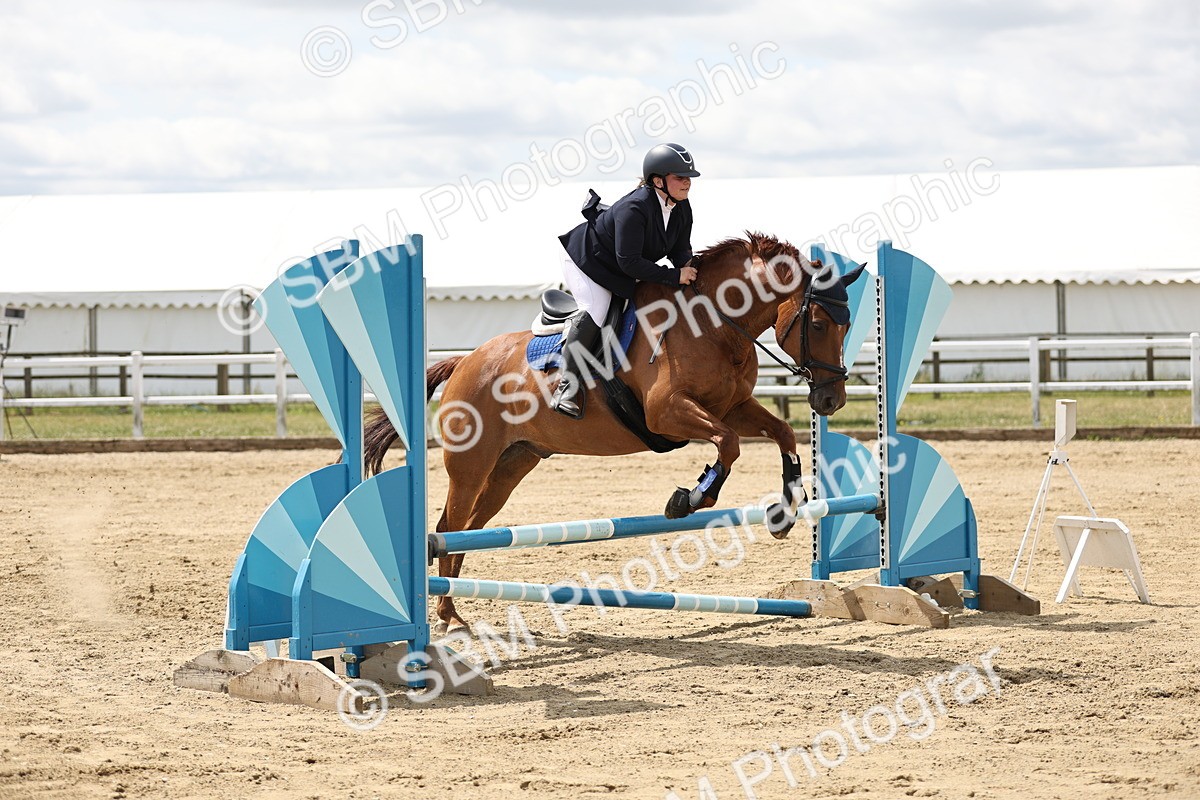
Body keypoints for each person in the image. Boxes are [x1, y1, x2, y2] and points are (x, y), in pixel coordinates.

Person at [550, 143, 701, 418]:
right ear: (658, 181)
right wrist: (673, 276)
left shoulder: (681, 207)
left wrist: (690, 270)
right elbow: (629, 262)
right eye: (680, 177)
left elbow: (680, 251)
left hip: (620, 267)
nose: (687, 183)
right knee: (597, 308)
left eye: (689, 177)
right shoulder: (634, 208)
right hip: (587, 260)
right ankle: (566, 386)